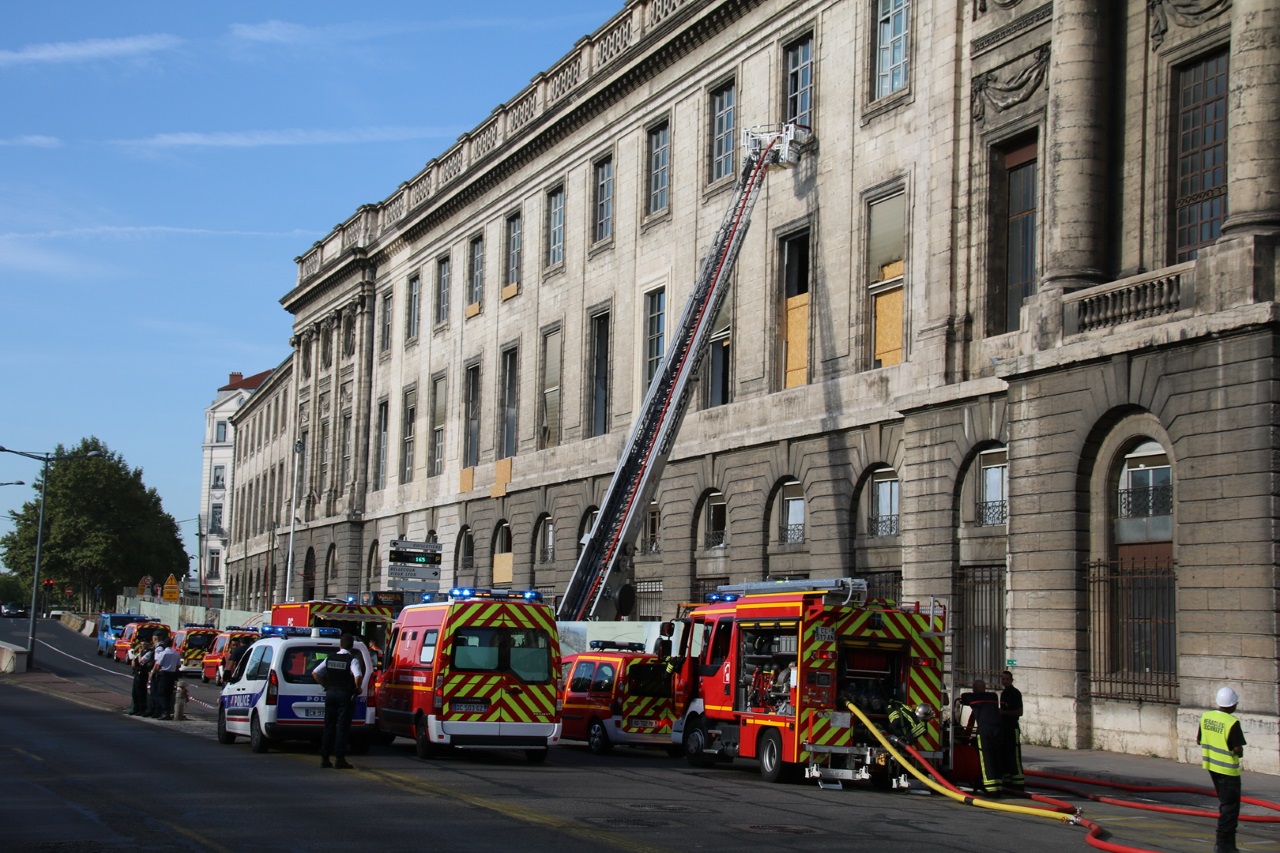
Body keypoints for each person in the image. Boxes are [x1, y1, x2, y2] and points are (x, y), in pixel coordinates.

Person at [1198, 686, 1246, 853]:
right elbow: (1238, 749)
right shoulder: (1232, 722)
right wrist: (1239, 753)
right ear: (1232, 705)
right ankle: (1224, 845)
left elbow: (1199, 740)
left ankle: (1226, 845)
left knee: (1225, 804)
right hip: (1228, 771)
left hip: (1212, 767)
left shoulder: (1206, 717)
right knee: (1230, 808)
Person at [312, 633, 363, 769]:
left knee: (329, 726)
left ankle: (325, 758)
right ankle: (339, 759)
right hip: (344, 695)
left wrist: (326, 686)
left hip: (330, 694)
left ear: (340, 645)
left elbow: (315, 673)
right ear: (351, 646)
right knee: (342, 727)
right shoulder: (352, 660)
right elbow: (357, 676)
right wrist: (358, 688)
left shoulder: (330, 658)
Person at [958, 678, 1003, 795]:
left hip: (985, 730)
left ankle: (990, 787)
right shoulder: (993, 696)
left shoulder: (973, 698)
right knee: (996, 757)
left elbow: (964, 697)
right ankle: (998, 786)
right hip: (998, 729)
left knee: (986, 758)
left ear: (975, 689)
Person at [998, 670, 1024, 789]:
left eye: (1007, 679)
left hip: (1012, 727)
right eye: (1003, 679)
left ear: (1011, 680)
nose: (1005, 681)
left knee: (1014, 755)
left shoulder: (1015, 693)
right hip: (1004, 727)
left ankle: (1018, 783)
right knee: (1005, 754)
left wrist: (1003, 713)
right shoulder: (1003, 693)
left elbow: (1020, 712)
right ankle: (1007, 780)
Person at [150, 633, 181, 720]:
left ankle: (165, 712)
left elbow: (157, 665)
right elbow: (178, 666)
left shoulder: (163, 653)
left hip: (163, 675)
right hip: (172, 675)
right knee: (168, 693)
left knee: (161, 694)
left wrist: (153, 673)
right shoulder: (176, 653)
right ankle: (167, 712)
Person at [126, 633, 155, 716]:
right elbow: (133, 663)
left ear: (148, 644)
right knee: (135, 692)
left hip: (143, 673)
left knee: (141, 692)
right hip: (137, 673)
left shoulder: (149, 652)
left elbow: (141, 661)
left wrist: (139, 653)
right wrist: (137, 654)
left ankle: (141, 709)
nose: (143, 645)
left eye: (145, 644)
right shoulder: (140, 652)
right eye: (142, 644)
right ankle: (135, 708)